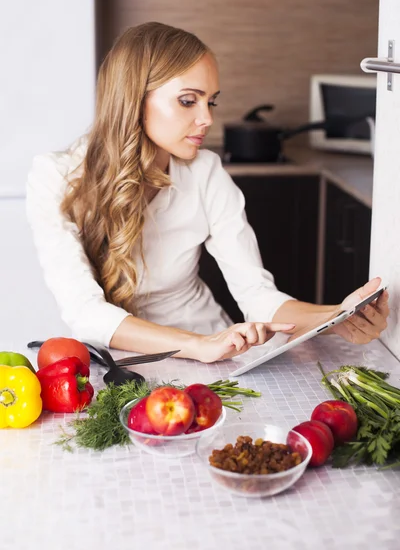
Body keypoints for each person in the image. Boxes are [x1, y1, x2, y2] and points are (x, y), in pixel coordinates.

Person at [26, 22, 389, 364]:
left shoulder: (205, 172)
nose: (207, 119)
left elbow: (257, 296)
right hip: (119, 359)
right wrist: (196, 345)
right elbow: (85, 312)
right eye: (188, 100)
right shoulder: (55, 177)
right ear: (133, 100)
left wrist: (336, 317)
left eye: (210, 101)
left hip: (212, 354)